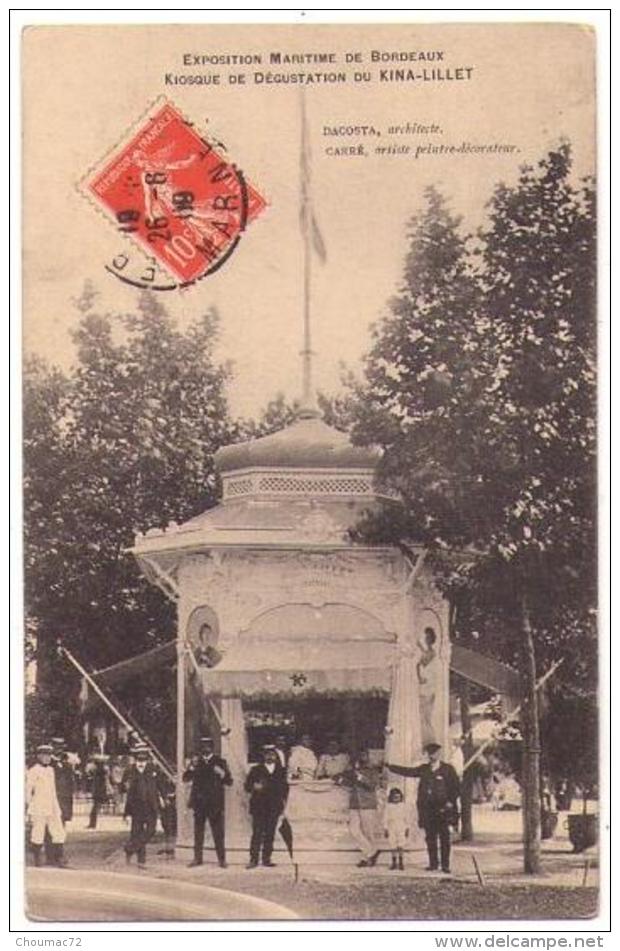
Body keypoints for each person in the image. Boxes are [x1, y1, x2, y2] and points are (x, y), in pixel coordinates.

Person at [388, 742, 460, 874]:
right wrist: (390, 767)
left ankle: (445, 865)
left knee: (444, 838)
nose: (433, 756)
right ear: (428, 755)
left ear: (439, 754)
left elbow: (456, 787)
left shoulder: (448, 769)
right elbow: (409, 772)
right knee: (430, 837)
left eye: (436, 753)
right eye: (431, 753)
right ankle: (433, 864)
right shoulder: (424, 769)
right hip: (428, 809)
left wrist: (451, 801)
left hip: (443, 808)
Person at [182, 735, 233, 868]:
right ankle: (197, 859)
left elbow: (229, 781)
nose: (205, 748)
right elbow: (185, 778)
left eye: (208, 746)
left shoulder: (220, 761)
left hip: (214, 803)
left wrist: (222, 773)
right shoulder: (196, 762)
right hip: (199, 803)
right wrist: (191, 767)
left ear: (212, 747)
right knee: (198, 832)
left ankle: (222, 860)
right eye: (203, 746)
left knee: (218, 833)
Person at [244, 745, 288, 869]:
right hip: (259, 806)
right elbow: (247, 786)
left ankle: (266, 859)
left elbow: (285, 788)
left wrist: (283, 802)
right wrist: (254, 786)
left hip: (274, 806)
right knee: (257, 833)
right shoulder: (256, 769)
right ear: (263, 755)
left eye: (272, 754)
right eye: (267, 754)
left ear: (276, 756)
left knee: (270, 833)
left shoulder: (281, 770)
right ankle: (253, 860)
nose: (270, 756)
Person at [337, 749, 383, 867]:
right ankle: (372, 852)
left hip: (367, 804)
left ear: (368, 756)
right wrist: (340, 780)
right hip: (354, 803)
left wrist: (360, 777)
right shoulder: (353, 771)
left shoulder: (373, 770)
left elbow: (373, 785)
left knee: (368, 833)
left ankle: (366, 858)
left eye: (364, 755)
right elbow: (347, 784)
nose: (362, 757)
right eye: (360, 755)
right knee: (353, 830)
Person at [26, 743, 67, 868]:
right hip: (39, 805)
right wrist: (28, 805)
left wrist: (57, 806)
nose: (47, 758)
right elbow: (27, 789)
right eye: (44, 755)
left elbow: (53, 789)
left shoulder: (51, 770)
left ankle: (59, 858)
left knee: (58, 831)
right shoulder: (33, 771)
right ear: (39, 756)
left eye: (49, 755)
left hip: (52, 805)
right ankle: (38, 859)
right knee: (38, 831)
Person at [123, 746, 161, 868]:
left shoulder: (153, 770)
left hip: (151, 805)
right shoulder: (130, 771)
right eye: (139, 759)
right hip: (136, 807)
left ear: (147, 759)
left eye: (143, 759)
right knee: (136, 832)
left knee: (151, 830)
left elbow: (160, 785)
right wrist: (127, 812)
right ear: (135, 759)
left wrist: (163, 797)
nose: (141, 762)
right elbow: (127, 792)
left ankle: (130, 848)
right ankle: (141, 861)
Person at [384, 787, 410, 871]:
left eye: (398, 797)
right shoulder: (388, 806)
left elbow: (407, 818)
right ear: (391, 797)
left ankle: (401, 862)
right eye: (394, 797)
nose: (396, 799)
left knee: (401, 845)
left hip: (401, 826)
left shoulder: (403, 806)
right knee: (392, 844)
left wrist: (407, 828)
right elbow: (385, 818)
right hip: (392, 826)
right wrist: (385, 828)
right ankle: (394, 862)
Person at [87, 753, 111, 829]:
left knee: (95, 807)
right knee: (96, 807)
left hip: (98, 791)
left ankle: (92, 823)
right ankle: (93, 823)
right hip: (101, 790)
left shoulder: (97, 772)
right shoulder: (103, 771)